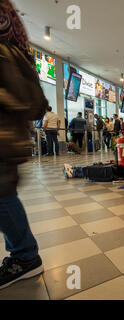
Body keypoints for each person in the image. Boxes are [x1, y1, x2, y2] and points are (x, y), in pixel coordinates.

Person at [0, 0, 47, 289]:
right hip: (9, 139)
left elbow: (27, 102)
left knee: (2, 196)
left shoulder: (5, 54)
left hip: (4, 141)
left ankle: (26, 256)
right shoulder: (15, 52)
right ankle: (24, 254)